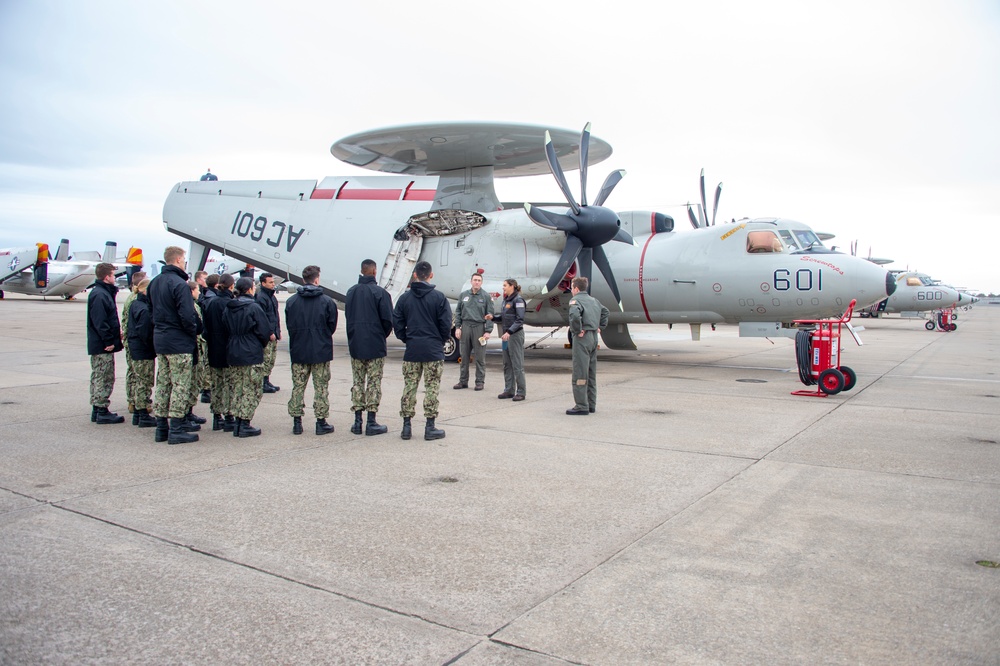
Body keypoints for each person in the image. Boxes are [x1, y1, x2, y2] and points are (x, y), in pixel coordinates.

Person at [392, 260, 452, 441]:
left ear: (415, 275)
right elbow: (446, 325)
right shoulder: (439, 298)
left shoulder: (404, 298)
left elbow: (397, 323)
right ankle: (429, 426)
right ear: (431, 275)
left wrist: (407, 338)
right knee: (431, 387)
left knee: (409, 387)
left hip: (413, 349)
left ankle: (406, 426)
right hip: (433, 349)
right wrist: (438, 341)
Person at [147, 246, 201, 444]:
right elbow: (187, 315)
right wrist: (192, 332)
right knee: (180, 385)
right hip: (178, 342)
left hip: (161, 339)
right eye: (184, 259)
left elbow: (151, 311)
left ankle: (161, 427)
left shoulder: (155, 283)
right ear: (178, 260)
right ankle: (176, 427)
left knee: (163, 384)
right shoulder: (179, 284)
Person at [285, 265, 339, 435]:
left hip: (299, 349)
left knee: (298, 387)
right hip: (320, 350)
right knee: (321, 387)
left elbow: (290, 325)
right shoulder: (327, 301)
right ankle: (321, 421)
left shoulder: (292, 301)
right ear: (317, 279)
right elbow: (332, 325)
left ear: (303, 280)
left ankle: (297, 421)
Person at [344, 259, 393, 436]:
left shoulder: (351, 292)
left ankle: (357, 421)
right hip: (375, 344)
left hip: (356, 344)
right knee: (373, 382)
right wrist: (380, 335)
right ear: (374, 272)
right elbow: (388, 320)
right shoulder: (380, 293)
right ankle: (371, 421)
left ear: (362, 271)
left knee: (357, 382)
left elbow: (348, 316)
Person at [224, 277, 271, 437]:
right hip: (250, 350)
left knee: (237, 388)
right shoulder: (253, 307)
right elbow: (263, 330)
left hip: (233, 348)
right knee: (252, 388)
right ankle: (244, 422)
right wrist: (259, 344)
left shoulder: (229, 307)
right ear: (250, 289)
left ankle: (238, 420)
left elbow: (224, 325)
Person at [86, 262, 125, 424]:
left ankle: (98, 408)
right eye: (113, 275)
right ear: (106, 276)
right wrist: (108, 340)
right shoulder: (100, 295)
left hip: (100, 342)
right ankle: (101, 410)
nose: (115, 278)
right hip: (102, 344)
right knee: (104, 376)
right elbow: (100, 321)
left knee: (100, 375)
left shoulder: (101, 293)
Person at [566, 276, 610, 415]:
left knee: (580, 371)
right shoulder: (594, 300)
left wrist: (577, 330)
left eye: (572, 288)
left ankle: (581, 405)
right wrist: (600, 326)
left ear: (576, 289)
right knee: (591, 372)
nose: (571, 290)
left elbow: (574, 316)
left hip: (582, 339)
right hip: (593, 338)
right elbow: (605, 312)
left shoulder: (575, 300)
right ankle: (591, 404)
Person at [203, 273, 236, 432]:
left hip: (213, 347)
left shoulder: (210, 303)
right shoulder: (231, 304)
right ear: (231, 286)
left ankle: (217, 416)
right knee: (229, 383)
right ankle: (229, 416)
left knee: (217, 384)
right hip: (228, 347)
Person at [452, 272, 494, 391]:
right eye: (475, 280)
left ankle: (479, 382)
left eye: (479, 280)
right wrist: (458, 327)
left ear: (481, 282)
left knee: (480, 357)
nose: (476, 282)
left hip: (479, 328)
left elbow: (490, 315)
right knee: (464, 356)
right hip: (466, 327)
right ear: (471, 281)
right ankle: (463, 381)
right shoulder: (463, 295)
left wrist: (488, 331)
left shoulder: (485, 296)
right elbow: (458, 312)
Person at [125, 278, 157, 428]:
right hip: (142, 350)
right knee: (144, 382)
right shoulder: (144, 309)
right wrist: (152, 345)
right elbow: (145, 331)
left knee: (140, 381)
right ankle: (143, 413)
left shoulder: (135, 304)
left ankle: (138, 413)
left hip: (135, 348)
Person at [120, 270, 147, 420]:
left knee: (133, 372)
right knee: (135, 372)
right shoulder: (134, 300)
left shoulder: (132, 299)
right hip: (133, 340)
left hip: (130, 338)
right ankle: (134, 401)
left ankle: (134, 400)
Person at [183, 280, 209, 428]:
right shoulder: (190, 306)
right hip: (193, 346)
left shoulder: (194, 305)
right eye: (197, 289)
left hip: (197, 347)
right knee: (190, 382)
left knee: (195, 382)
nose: (199, 292)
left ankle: (189, 411)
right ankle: (185, 414)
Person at [495, 278, 526, 402]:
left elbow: (520, 320)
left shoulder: (518, 300)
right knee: (507, 364)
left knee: (517, 365)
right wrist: (492, 318)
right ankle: (509, 390)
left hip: (514, 335)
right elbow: (503, 318)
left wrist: (509, 332)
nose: (503, 287)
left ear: (512, 286)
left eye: (505, 285)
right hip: (506, 336)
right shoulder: (505, 300)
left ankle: (521, 392)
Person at [255, 272, 281, 393]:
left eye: (273, 282)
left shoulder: (272, 297)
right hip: (267, 334)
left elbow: (275, 316)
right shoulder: (261, 297)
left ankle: (267, 379)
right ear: (263, 283)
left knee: (271, 359)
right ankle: (262, 382)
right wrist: (270, 332)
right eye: (270, 282)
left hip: (274, 332)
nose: (273, 284)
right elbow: (262, 318)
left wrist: (278, 330)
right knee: (266, 358)